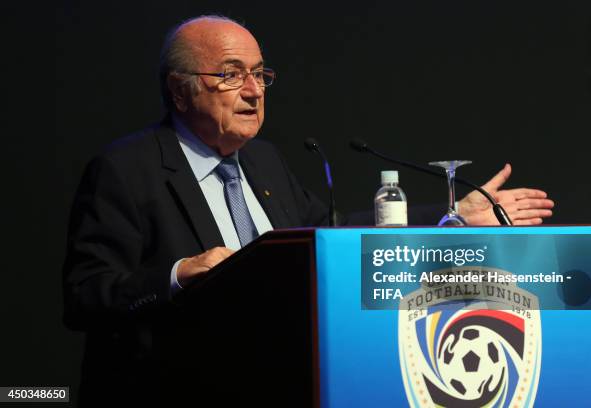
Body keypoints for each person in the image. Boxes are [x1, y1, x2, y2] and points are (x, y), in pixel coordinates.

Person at [63, 15, 554, 406]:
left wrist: (451, 217)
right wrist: (175, 274)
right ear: (179, 89)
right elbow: (85, 295)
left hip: (283, 385)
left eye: (260, 74)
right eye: (231, 75)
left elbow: (328, 237)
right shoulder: (128, 167)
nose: (254, 91)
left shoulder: (264, 160)